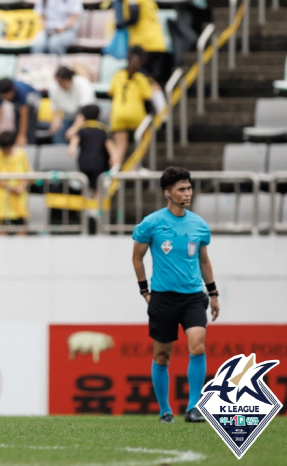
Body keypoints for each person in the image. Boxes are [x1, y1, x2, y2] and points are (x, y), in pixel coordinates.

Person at [131, 166, 220, 424]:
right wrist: (144, 290)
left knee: (198, 345)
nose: (188, 193)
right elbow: (137, 257)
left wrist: (213, 293)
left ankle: (193, 408)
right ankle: (165, 410)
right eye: (182, 189)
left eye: (189, 188)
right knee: (162, 356)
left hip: (193, 297)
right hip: (163, 298)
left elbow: (204, 261)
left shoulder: (199, 225)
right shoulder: (151, 223)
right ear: (167, 193)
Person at [108, 46, 153, 163]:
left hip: (118, 113)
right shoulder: (142, 77)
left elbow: (111, 92)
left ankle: (115, 165)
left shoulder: (117, 74)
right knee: (146, 135)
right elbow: (148, 96)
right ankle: (135, 165)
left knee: (120, 146)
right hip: (136, 113)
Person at [67, 104, 119, 194]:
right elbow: (109, 144)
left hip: (84, 162)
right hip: (99, 163)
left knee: (85, 185)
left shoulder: (82, 129)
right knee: (98, 187)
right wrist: (114, 156)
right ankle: (96, 201)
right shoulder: (102, 129)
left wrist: (72, 148)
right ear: (98, 115)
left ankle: (87, 201)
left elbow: (74, 140)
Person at [118, 0, 172, 86]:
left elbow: (134, 17)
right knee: (152, 80)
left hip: (143, 44)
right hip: (158, 43)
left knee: (140, 79)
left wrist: (121, 24)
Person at [0, 131, 31, 233]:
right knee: (1, 232)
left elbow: (28, 174)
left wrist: (22, 186)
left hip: (19, 201)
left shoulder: (21, 154)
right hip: (2, 202)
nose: (5, 151)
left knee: (21, 231)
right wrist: (11, 188)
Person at [48, 66, 96, 144]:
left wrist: (74, 129)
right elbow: (55, 108)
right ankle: (61, 150)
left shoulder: (83, 84)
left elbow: (85, 111)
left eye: (62, 82)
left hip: (87, 118)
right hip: (68, 118)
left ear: (69, 79)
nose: (60, 84)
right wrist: (55, 121)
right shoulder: (54, 87)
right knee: (58, 132)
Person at [0, 78, 41, 146]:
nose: (5, 98)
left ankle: (30, 145)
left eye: (6, 96)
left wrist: (22, 136)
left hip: (32, 103)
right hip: (18, 105)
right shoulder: (0, 93)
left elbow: (24, 115)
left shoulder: (21, 92)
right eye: (3, 96)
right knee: (16, 128)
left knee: (28, 132)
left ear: (12, 91)